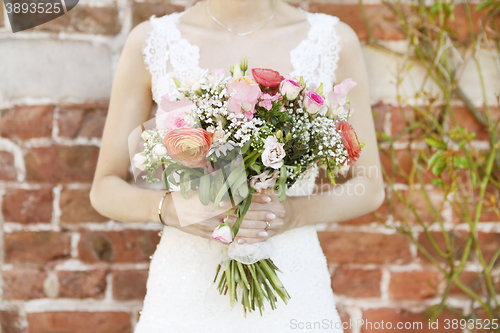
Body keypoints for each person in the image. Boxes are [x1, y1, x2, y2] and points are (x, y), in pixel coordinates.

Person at [89, 0, 385, 331]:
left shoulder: (332, 40)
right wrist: (172, 209)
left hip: (292, 280)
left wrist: (291, 214)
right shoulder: (151, 41)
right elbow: (105, 187)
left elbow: (369, 187)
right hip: (186, 289)